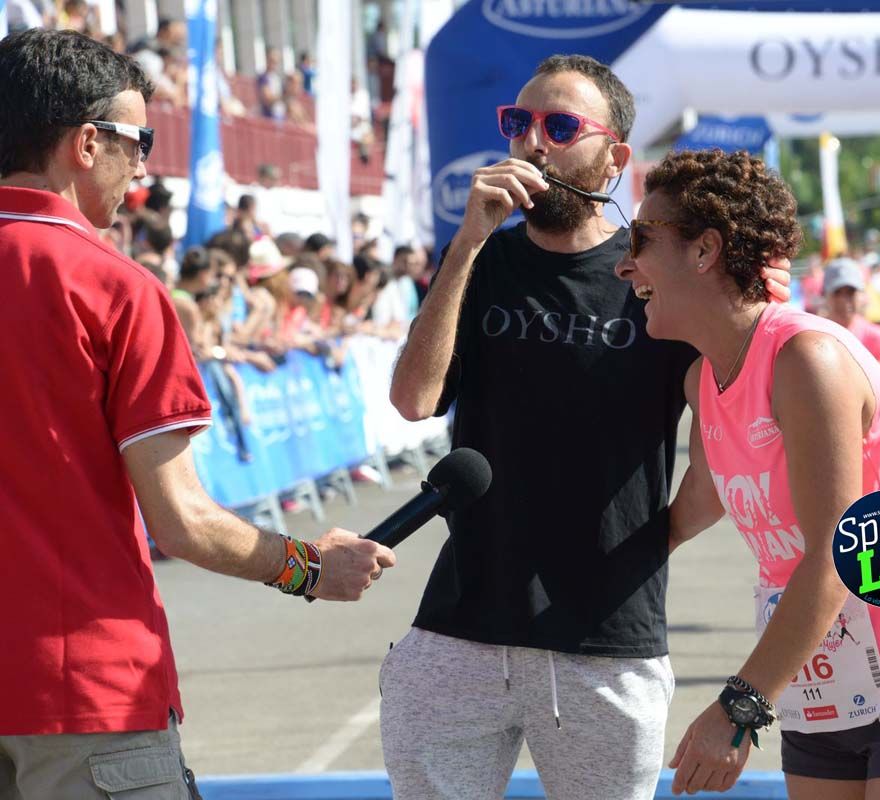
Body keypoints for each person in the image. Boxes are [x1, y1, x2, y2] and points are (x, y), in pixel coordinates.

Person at [0, 30, 394, 800]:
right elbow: (181, 520)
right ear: (87, 143)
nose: (144, 164)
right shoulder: (114, 288)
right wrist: (308, 567)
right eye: (137, 139)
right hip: (84, 690)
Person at [384, 55, 789, 800]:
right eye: (519, 124)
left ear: (614, 156)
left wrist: (648, 541)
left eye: (561, 125)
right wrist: (466, 244)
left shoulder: (658, 278)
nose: (532, 143)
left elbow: (719, 461)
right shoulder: (481, 259)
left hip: (607, 639)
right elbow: (413, 401)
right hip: (459, 626)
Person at [615, 149, 880, 799]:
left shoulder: (806, 359)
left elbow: (836, 556)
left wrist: (738, 707)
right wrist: (583, 577)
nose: (624, 263)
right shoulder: (705, 378)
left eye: (641, 241)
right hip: (826, 689)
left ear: (704, 251)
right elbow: (697, 504)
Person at [822, 257, 880, 402]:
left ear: (862, 295)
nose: (844, 299)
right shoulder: (815, 335)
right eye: (837, 292)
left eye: (850, 292)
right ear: (825, 296)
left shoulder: (878, 336)